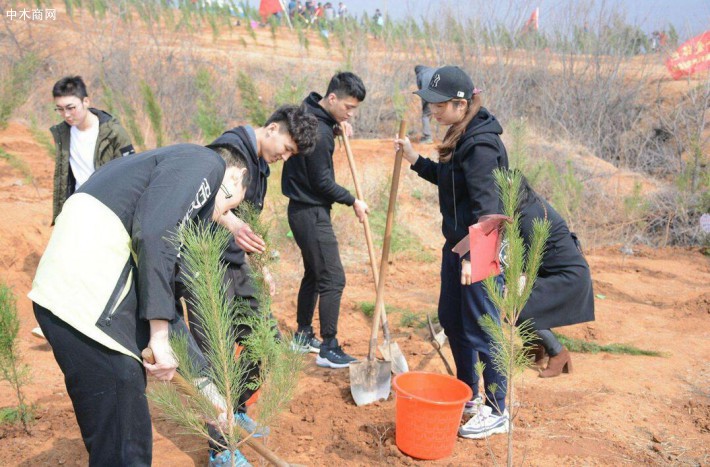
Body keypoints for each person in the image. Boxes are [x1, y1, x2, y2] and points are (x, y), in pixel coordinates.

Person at [28, 143, 251, 466]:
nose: (218, 217)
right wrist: (158, 337)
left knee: (117, 441)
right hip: (93, 305)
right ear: (235, 177)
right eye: (229, 205)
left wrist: (212, 398)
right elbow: (154, 233)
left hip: (65, 302)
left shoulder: (147, 179)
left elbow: (163, 307)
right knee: (125, 448)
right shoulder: (207, 162)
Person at [178, 105, 318, 466]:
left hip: (236, 264)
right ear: (271, 128)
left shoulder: (259, 164)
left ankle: (237, 407)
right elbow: (206, 205)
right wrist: (231, 225)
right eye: (285, 148)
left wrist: (261, 265)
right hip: (206, 264)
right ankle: (221, 449)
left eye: (290, 155)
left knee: (263, 340)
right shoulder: (230, 155)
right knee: (217, 355)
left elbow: (249, 221)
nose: (284, 157)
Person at [394, 65, 510, 439]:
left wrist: (478, 254)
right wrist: (415, 160)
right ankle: (469, 394)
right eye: (429, 105)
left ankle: (497, 409)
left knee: (483, 325)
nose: (432, 112)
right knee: (453, 318)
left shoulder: (480, 145)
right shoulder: (460, 134)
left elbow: (489, 209)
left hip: (481, 245)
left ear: (461, 104)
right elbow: (451, 182)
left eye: (437, 106)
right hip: (459, 245)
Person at [33, 76, 135, 340]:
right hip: (77, 206)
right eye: (60, 109)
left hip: (107, 209)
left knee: (100, 265)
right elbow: (64, 174)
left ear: (86, 101)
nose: (66, 114)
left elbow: (133, 168)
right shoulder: (64, 133)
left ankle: (96, 322)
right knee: (66, 260)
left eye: (71, 107)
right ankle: (59, 321)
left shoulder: (112, 131)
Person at [281, 72, 368, 369]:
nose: (350, 113)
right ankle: (329, 347)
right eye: (348, 107)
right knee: (333, 277)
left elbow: (320, 118)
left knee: (315, 274)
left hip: (300, 210)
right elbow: (321, 182)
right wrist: (353, 200)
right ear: (332, 98)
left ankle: (304, 334)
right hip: (311, 210)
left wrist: (336, 124)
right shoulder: (318, 132)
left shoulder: (311, 113)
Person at [515, 174, 595, 377]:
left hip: (569, 277)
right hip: (562, 271)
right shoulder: (530, 204)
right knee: (527, 302)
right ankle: (534, 348)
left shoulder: (528, 217)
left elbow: (528, 260)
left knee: (521, 304)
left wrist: (519, 279)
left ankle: (558, 353)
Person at [414, 64, 436, 143]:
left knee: (425, 115)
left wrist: (424, 104)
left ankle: (427, 137)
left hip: (429, 95)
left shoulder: (421, 74)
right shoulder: (433, 70)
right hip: (442, 94)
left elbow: (421, 90)